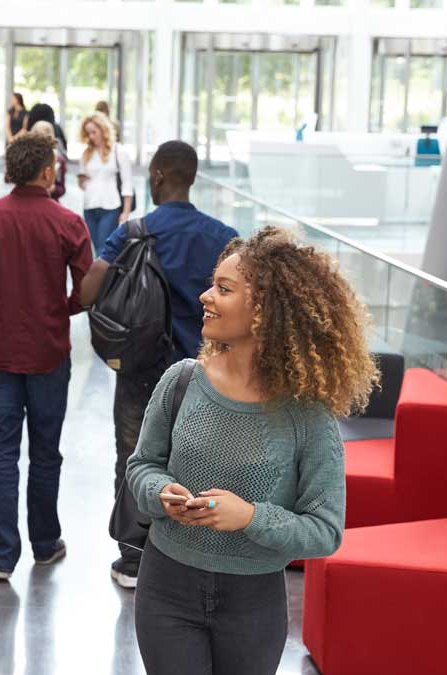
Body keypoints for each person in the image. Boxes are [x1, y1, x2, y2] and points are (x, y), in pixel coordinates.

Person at [127, 227, 377, 675]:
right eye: (212, 284)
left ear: (266, 310)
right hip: (166, 586)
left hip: (253, 604)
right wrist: (160, 491)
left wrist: (250, 518)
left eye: (223, 289)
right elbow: (142, 466)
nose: (205, 296)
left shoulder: (308, 416)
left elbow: (325, 530)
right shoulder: (181, 381)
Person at [81, 140, 239, 589]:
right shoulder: (223, 237)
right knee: (201, 459)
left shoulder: (135, 231)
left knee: (135, 456)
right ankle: (190, 556)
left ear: (157, 177)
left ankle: (133, 558)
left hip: (141, 367)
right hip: (207, 370)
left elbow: (89, 289)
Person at [0, 133, 92, 581]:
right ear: (49, 171)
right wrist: (63, 307)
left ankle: (1, 555)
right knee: (45, 451)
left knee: (1, 452)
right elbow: (88, 288)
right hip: (50, 351)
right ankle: (45, 541)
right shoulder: (69, 222)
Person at [78, 111, 134, 251]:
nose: (91, 136)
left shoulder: (118, 151)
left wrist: (125, 213)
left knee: (103, 250)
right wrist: (83, 181)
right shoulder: (87, 153)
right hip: (89, 207)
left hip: (110, 207)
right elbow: (83, 183)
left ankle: (104, 273)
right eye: (88, 133)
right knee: (97, 248)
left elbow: (127, 184)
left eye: (94, 132)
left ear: (103, 130)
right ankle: (106, 273)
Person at [30, 121, 67, 201]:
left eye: (46, 137)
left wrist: (53, 189)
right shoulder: (27, 158)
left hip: (51, 201)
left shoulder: (58, 160)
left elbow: (61, 189)